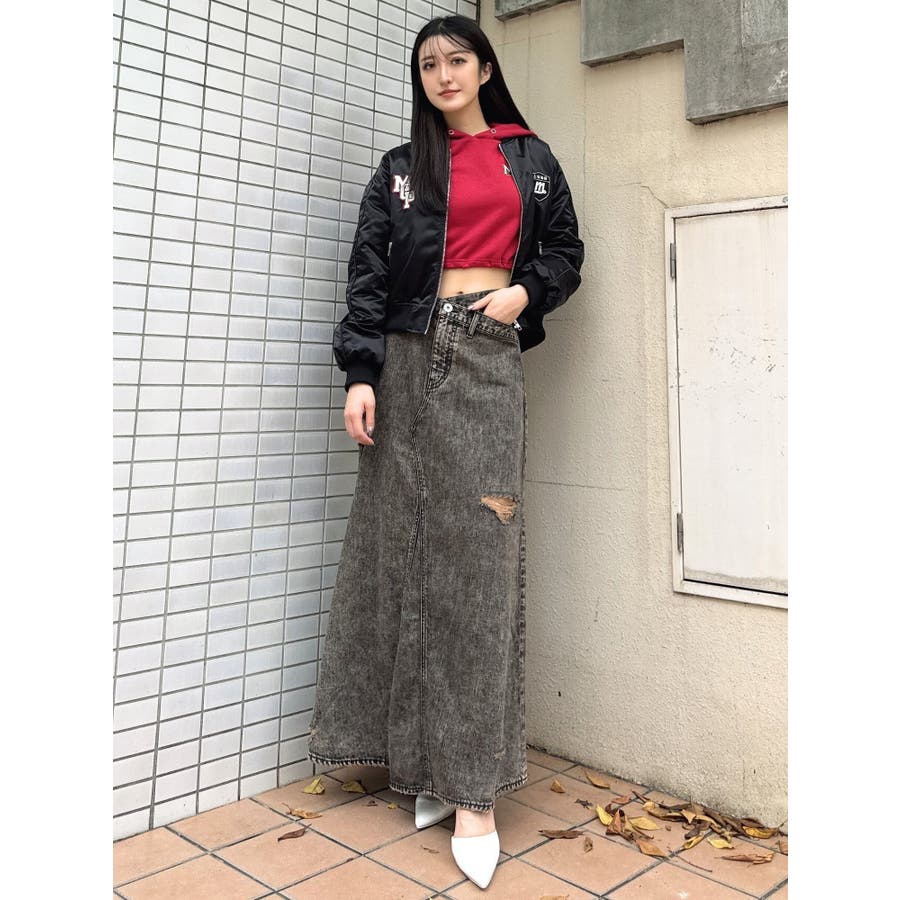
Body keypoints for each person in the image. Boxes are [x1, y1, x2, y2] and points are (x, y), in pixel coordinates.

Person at [307, 13, 584, 890]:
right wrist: (360, 374)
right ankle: (418, 763)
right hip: (403, 358)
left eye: (457, 58)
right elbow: (368, 273)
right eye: (428, 63)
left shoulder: (530, 161)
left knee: (477, 564)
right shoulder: (401, 169)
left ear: (486, 67)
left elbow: (567, 252)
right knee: (396, 555)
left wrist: (522, 296)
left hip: (486, 352)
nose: (443, 73)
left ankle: (472, 791)